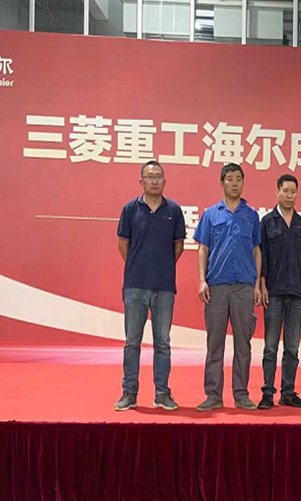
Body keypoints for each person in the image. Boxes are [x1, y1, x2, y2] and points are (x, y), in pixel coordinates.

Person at [114, 160, 186, 412]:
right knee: (132, 341)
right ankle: (129, 392)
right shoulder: (130, 209)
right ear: (141, 181)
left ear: (164, 181)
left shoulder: (173, 210)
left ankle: (162, 393)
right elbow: (123, 244)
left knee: (162, 342)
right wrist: (138, 266)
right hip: (135, 286)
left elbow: (178, 246)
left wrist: (161, 266)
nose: (154, 181)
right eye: (149, 176)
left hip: (164, 287)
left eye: (158, 176)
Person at [194, 163, 263, 412]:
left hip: (244, 287)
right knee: (215, 343)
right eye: (230, 179)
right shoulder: (211, 214)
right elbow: (203, 249)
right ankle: (213, 395)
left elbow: (257, 251)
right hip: (217, 286)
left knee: (243, 344)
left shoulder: (251, 215)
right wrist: (202, 280)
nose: (234, 183)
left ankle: (241, 394)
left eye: (238, 179)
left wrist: (257, 285)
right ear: (221, 183)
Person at [257, 174, 301, 410]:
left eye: (293, 192)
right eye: (285, 191)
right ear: (277, 192)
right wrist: (261, 285)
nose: (289, 196)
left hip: (297, 293)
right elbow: (262, 258)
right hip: (274, 292)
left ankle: (288, 392)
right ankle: (267, 393)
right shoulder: (267, 222)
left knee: (292, 348)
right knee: (270, 347)